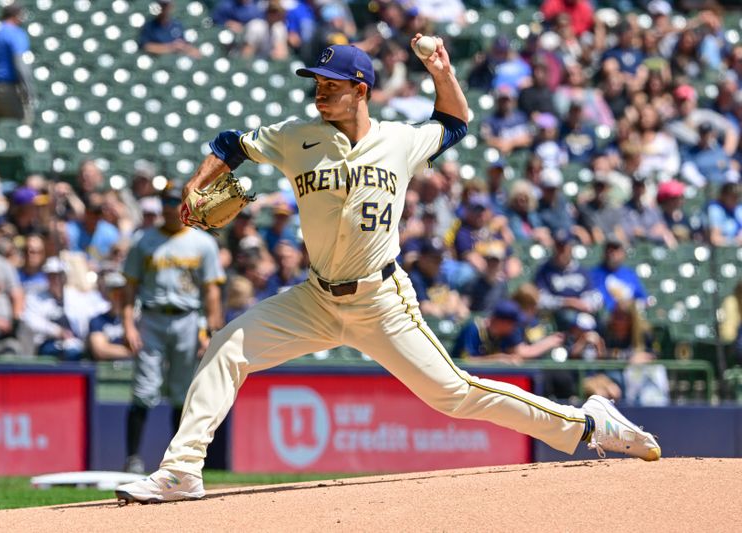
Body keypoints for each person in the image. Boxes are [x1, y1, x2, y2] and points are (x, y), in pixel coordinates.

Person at [116, 42, 660, 504]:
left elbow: (454, 124)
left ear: (361, 88)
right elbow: (230, 144)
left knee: (454, 393)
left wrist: (442, 72)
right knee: (226, 348)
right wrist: (195, 184)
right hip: (315, 298)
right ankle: (183, 470)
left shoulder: (400, 139)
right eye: (316, 82)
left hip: (381, 299)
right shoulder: (295, 136)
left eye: (331, 83)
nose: (319, 91)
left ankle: (590, 423)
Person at [121, 186, 225, 475]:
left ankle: (178, 461)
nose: (171, 208)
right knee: (144, 389)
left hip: (187, 318)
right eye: (167, 202)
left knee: (183, 392)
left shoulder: (203, 243)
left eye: (176, 202)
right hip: (152, 317)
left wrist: (210, 330)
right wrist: (128, 324)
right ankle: (132, 459)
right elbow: (129, 288)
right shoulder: (144, 241)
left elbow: (211, 291)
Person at [0, 3, 35, 122]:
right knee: (21, 127)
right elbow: (21, 65)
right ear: (17, 16)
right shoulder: (15, 33)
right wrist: (28, 92)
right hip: (8, 90)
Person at [87, 270, 132, 361]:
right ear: (107, 294)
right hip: (107, 371)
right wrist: (131, 352)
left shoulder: (135, 320)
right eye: (115, 293)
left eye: (123, 293)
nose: (119, 297)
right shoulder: (98, 320)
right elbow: (100, 350)